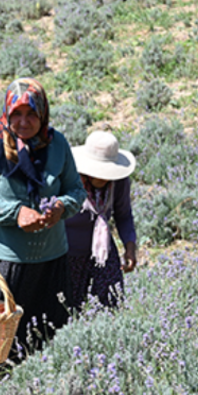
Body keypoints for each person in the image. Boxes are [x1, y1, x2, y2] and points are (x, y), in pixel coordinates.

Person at [0, 78, 86, 361]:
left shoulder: (57, 145)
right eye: (16, 113)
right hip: (0, 264)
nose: (23, 121)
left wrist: (61, 207)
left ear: (43, 114)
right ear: (6, 113)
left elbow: (76, 190)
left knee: (45, 340)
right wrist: (15, 213)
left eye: (32, 113)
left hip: (49, 262)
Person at [65, 130, 138, 310]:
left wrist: (130, 247)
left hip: (102, 253)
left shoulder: (119, 182)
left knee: (112, 304)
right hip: (68, 254)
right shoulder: (70, 180)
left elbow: (124, 215)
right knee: (67, 309)